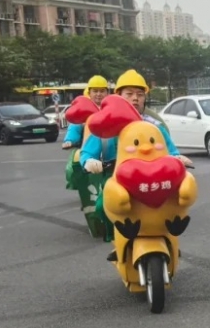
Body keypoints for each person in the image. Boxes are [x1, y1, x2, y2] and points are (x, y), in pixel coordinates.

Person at [80, 70, 192, 246]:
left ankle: (170, 241)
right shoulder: (106, 128)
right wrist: (88, 161)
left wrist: (178, 158)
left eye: (140, 94)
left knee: (175, 202)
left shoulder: (154, 127)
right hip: (115, 180)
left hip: (153, 182)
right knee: (103, 206)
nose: (135, 99)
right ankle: (115, 242)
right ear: (118, 96)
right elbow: (87, 152)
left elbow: (171, 150)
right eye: (129, 94)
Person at [62, 74, 108, 150]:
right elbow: (75, 125)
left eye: (102, 91)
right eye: (95, 91)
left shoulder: (110, 107)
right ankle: (70, 140)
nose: (99, 94)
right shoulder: (84, 107)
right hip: (87, 144)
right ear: (89, 93)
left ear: (107, 93)